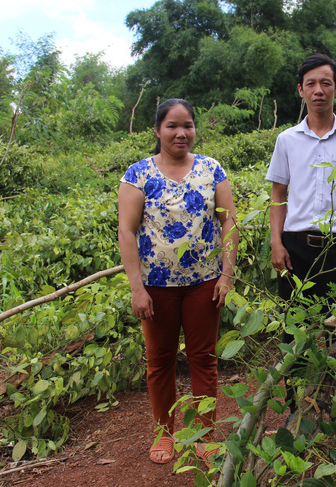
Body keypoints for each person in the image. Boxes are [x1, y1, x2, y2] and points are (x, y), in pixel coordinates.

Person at [118, 98, 238, 464]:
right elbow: (126, 230)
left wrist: (227, 275)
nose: (181, 133)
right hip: (155, 286)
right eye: (172, 125)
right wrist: (137, 288)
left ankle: (204, 434)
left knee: (204, 358)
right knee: (159, 361)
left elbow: (229, 222)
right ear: (157, 130)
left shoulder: (211, 170)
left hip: (204, 282)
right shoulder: (137, 174)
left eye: (187, 125)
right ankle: (164, 433)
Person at [266, 53, 336, 412]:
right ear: (301, 91)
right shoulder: (287, 140)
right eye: (311, 84)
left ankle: (326, 402)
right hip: (294, 246)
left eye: (326, 83)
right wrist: (275, 241)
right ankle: (295, 402)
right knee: (293, 326)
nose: (319, 90)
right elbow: (278, 195)